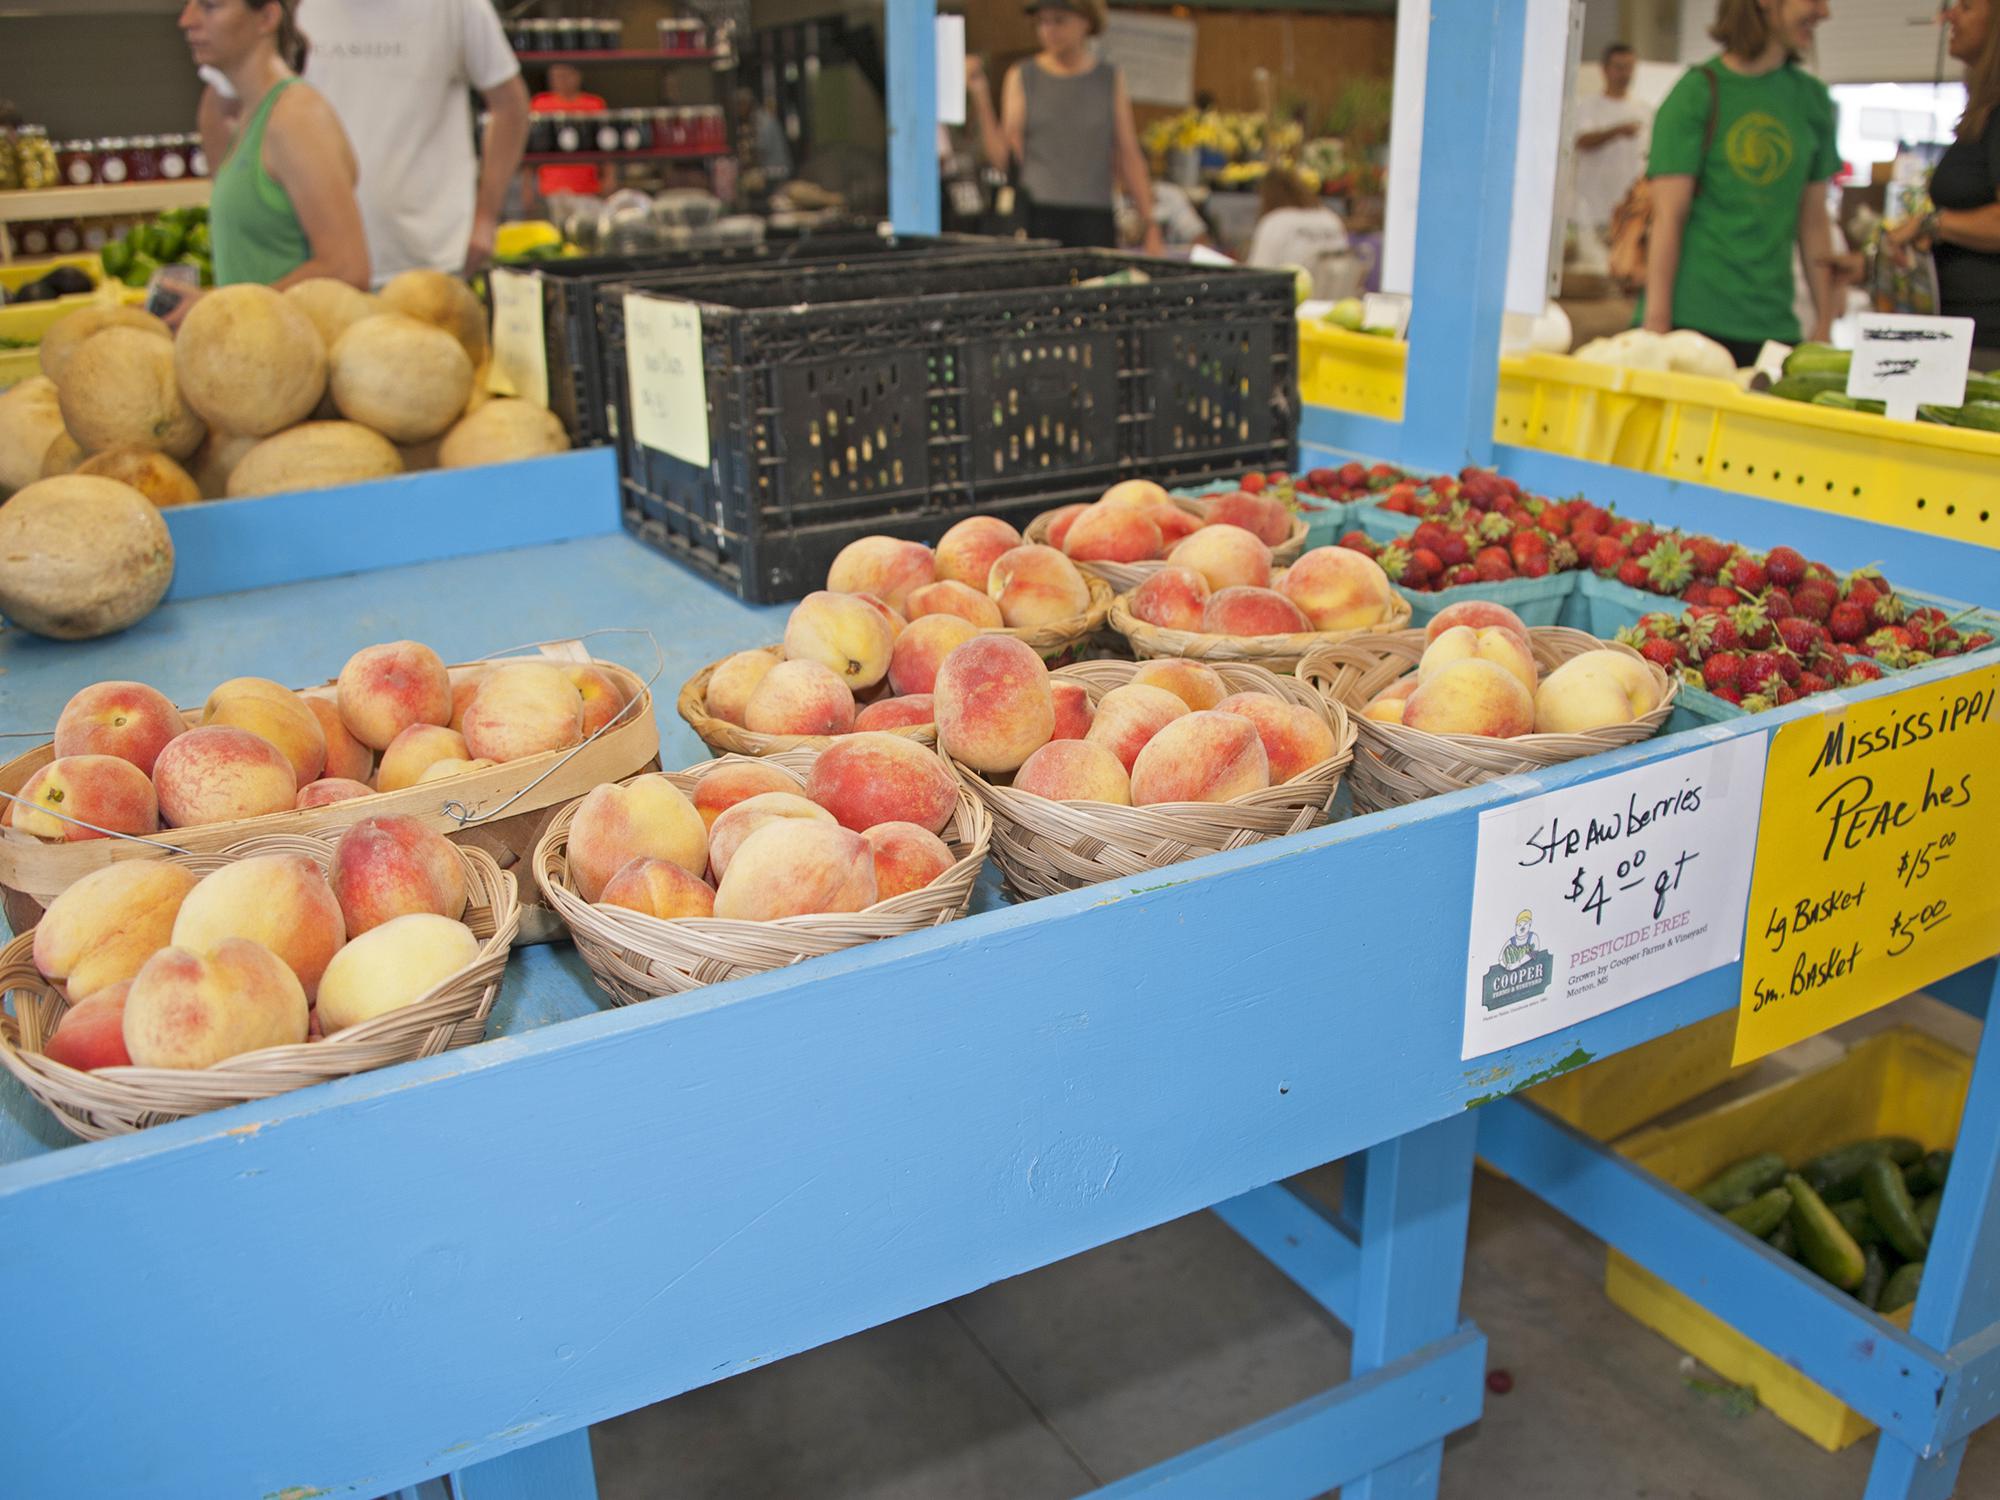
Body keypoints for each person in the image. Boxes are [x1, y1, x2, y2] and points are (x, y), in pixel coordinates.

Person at [1641, 0, 1840, 362]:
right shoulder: (1697, 92)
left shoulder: (1812, 100)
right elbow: (1668, 218)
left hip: (1774, 330)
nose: (1824, 12)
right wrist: (1656, 327)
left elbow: (1813, 221)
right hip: (1691, 326)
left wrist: (1825, 322)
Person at [299, 0, 531, 279]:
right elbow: (239, 107)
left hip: (430, 264)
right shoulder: (287, 8)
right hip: (317, 268)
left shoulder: (455, 6)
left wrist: (485, 218)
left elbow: (510, 106)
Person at [179, 0, 368, 312]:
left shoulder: (296, 117)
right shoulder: (244, 116)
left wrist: (219, 308)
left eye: (210, 6)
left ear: (266, 17)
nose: (186, 20)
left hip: (298, 354)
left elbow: (347, 270)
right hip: (258, 350)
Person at [963, 0, 1162, 253]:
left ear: (1086, 22)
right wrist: (980, 96)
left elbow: (1128, 152)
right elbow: (1004, 157)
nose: (1049, 30)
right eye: (1043, 22)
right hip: (1037, 217)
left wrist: (1151, 225)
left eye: (1059, 21)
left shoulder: (1108, 79)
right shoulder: (1023, 75)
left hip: (1094, 218)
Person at [1887, 0, 2000, 366]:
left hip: (1988, 345)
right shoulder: (1984, 113)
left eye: (1966, 7)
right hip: (1962, 333)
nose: (1947, 16)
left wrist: (1933, 224)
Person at [1571, 43, 1647, 235]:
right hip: (1594, 209)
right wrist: (1616, 131)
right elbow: (1581, 141)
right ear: (1605, 70)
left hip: (1631, 211)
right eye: (1618, 67)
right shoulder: (1588, 106)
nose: (1624, 74)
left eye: (1629, 67)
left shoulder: (1645, 111)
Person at [1246, 167, 1351, 295]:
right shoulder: (1330, 218)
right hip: (1336, 301)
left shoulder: (1275, 222)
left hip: (1290, 302)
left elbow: (1257, 276)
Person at [530, 63, 608, 199]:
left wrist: (609, 177)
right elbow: (530, 149)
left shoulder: (594, 104)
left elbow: (606, 145)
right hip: (550, 190)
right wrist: (527, 188)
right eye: (556, 75)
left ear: (578, 75)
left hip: (588, 189)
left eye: (566, 75)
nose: (561, 79)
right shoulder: (539, 104)